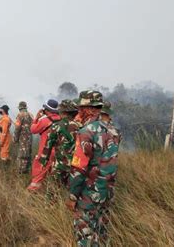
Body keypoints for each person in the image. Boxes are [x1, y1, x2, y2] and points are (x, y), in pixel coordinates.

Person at [66, 91, 120, 246]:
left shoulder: (86, 132)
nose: (78, 112)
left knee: (86, 234)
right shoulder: (113, 131)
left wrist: (72, 196)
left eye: (80, 108)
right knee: (102, 232)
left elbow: (78, 168)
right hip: (107, 192)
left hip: (89, 194)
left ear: (88, 109)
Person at [40, 99, 79, 189]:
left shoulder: (57, 126)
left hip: (60, 165)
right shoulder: (79, 126)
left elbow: (48, 145)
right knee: (71, 191)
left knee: (52, 192)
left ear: (63, 112)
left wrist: (43, 161)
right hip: (75, 166)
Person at [27, 99, 61, 191]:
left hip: (45, 152)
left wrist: (36, 118)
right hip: (59, 153)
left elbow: (33, 130)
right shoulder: (61, 119)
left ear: (46, 109)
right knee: (54, 176)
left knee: (38, 175)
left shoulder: (45, 120)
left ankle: (32, 195)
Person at [14, 101, 33, 174]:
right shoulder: (31, 115)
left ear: (20, 108)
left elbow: (17, 128)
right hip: (30, 138)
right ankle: (27, 171)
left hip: (22, 138)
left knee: (22, 156)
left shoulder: (20, 115)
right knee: (28, 155)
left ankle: (21, 172)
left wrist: (15, 139)